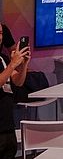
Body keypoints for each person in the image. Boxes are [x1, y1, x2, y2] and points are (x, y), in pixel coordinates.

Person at [0, 25, 30, 159]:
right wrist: (13, 64)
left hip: (7, 124)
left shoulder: (3, 59)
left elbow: (18, 82)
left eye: (0, 33)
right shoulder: (9, 62)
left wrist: (23, 65)